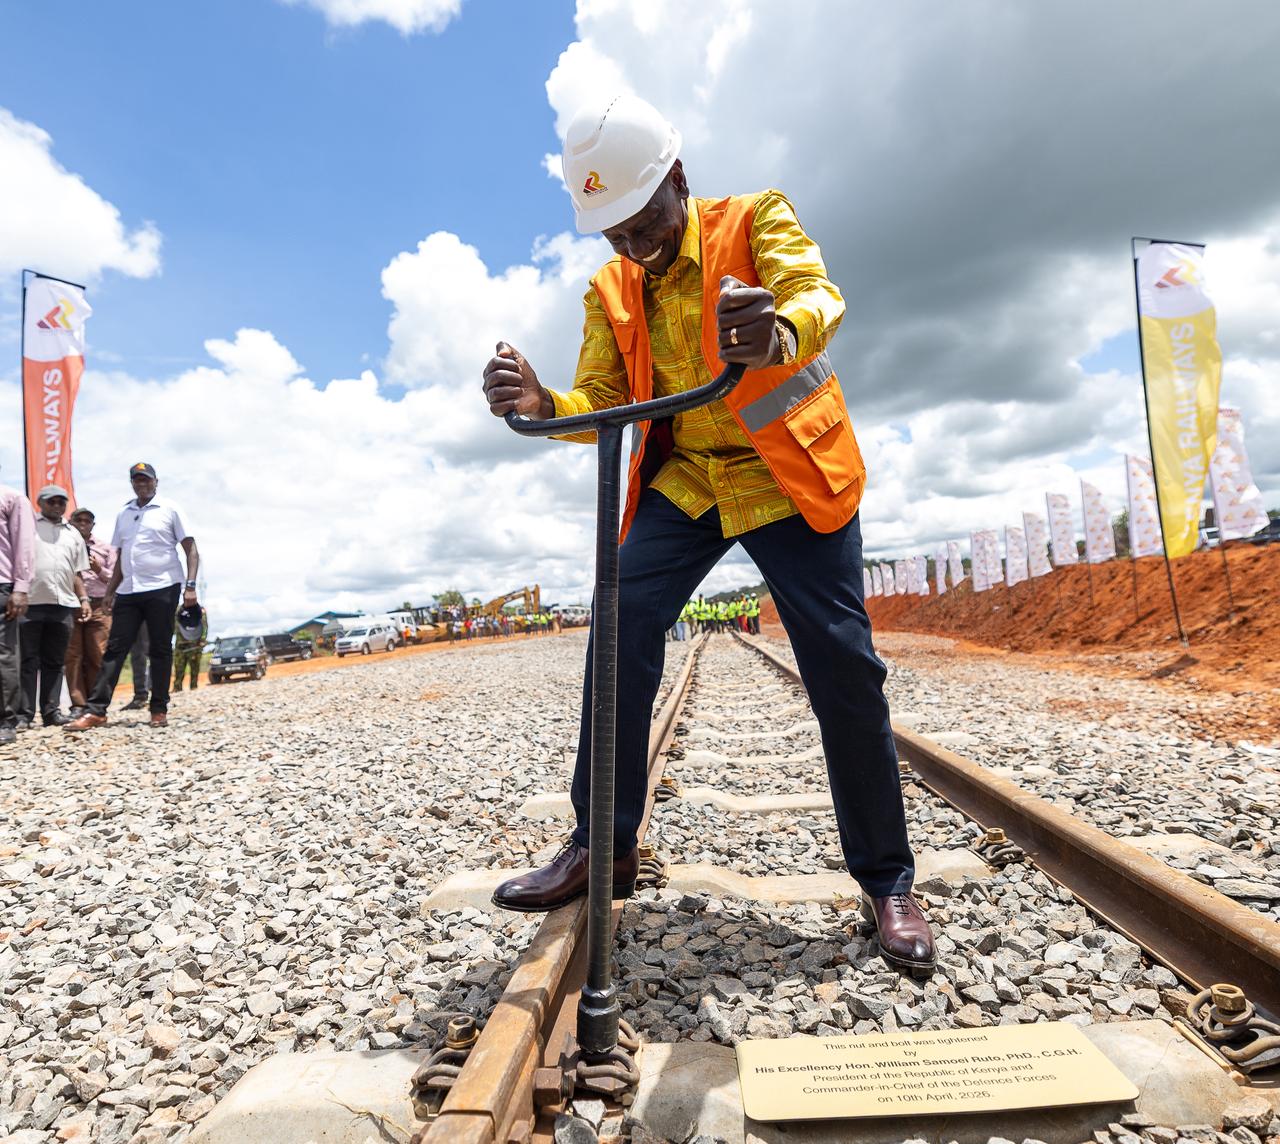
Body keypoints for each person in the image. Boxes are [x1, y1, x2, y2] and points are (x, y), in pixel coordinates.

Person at [481, 94, 934, 975]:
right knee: (617, 630)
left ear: (679, 182)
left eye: (642, 220)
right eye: (610, 231)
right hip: (688, 481)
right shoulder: (612, 285)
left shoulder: (753, 220)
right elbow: (606, 401)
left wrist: (777, 331)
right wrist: (545, 407)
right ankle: (600, 845)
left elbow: (815, 295)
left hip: (785, 473)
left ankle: (886, 881)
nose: (631, 244)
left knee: (842, 666)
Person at [67, 463, 199, 731]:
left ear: (155, 481)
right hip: (129, 589)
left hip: (163, 586)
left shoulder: (169, 509)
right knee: (115, 649)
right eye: (137, 480)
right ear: (132, 483)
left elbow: (191, 550)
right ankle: (96, 711)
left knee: (159, 648)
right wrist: (111, 590)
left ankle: (158, 709)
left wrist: (191, 585)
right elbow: (120, 559)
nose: (142, 484)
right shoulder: (124, 513)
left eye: (146, 479)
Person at [18, 487, 90, 728]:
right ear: (41, 503)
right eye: (52, 502)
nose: (57, 506)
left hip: (62, 605)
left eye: (62, 502)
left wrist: (84, 600)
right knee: (27, 661)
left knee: (55, 661)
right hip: (30, 603)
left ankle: (51, 712)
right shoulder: (28, 527)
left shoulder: (73, 535)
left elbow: (77, 573)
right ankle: (24, 714)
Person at [65, 508, 116, 717]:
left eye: (88, 520)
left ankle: (95, 704)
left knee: (98, 654)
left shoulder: (106, 548)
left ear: (93, 525)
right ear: (72, 522)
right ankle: (78, 704)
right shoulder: (63, 545)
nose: (83, 523)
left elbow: (115, 577)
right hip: (71, 605)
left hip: (99, 606)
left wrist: (98, 569)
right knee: (73, 656)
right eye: (79, 519)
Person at [0, 475, 36, 746]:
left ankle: (6, 720)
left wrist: (21, 586)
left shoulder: (11, 498)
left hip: (2, 585)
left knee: (4, 655)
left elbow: (24, 544)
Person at [172, 604, 207, 691]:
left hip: (195, 645)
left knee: (195, 668)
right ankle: (177, 688)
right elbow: (173, 625)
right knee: (179, 668)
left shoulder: (199, 610)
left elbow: (204, 625)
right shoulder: (178, 610)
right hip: (181, 645)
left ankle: (194, 687)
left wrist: (202, 639)